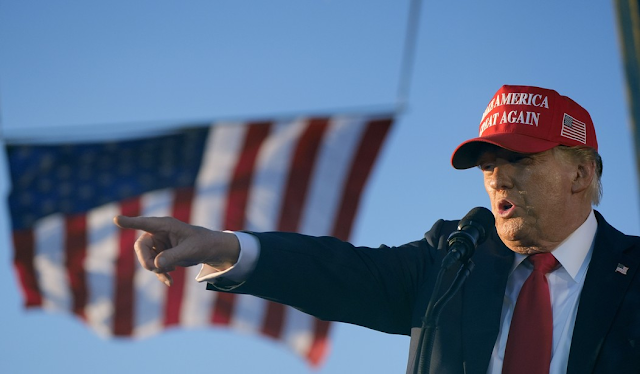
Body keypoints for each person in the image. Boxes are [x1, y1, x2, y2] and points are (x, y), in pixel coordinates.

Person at [114, 85, 640, 374]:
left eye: (520, 159)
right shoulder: (452, 260)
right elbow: (341, 273)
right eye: (486, 164)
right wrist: (226, 246)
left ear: (581, 172)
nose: (498, 177)